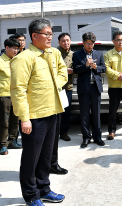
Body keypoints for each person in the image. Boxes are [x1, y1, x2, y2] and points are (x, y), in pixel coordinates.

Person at [11, 18, 68, 205]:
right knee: (31, 157)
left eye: (51, 34)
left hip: (52, 111)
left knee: (46, 156)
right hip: (34, 116)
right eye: (47, 34)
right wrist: (24, 118)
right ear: (34, 36)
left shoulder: (53, 53)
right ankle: (30, 195)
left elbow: (63, 72)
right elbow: (18, 90)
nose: (50, 37)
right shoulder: (24, 58)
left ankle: (44, 188)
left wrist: (55, 84)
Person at [72, 32, 106, 148]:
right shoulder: (77, 54)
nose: (89, 46)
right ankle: (86, 137)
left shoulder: (99, 54)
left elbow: (104, 68)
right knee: (84, 114)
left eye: (91, 44)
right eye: (87, 43)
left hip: (95, 87)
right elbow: (75, 69)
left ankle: (98, 137)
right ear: (83, 43)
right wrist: (86, 65)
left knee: (96, 113)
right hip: (83, 87)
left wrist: (97, 68)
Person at [0, 38, 22, 155]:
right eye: (14, 48)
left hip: (17, 95)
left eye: (17, 48)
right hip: (4, 95)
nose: (16, 50)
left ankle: (13, 141)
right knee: (4, 121)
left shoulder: (18, 61)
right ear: (7, 48)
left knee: (15, 120)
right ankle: (3, 144)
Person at [48, 32, 73, 176]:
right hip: (53, 90)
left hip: (66, 88)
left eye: (68, 41)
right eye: (63, 41)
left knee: (66, 112)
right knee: (55, 115)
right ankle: (56, 134)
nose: (66, 43)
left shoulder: (73, 54)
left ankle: (63, 132)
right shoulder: (54, 52)